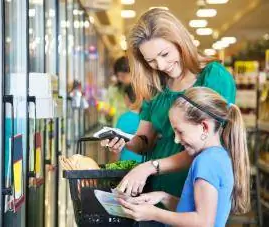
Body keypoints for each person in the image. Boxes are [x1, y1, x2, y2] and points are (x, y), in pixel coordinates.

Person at [101, 8, 236, 226]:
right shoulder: (156, 84)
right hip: (157, 194)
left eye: (164, 54)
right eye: (151, 61)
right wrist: (125, 140)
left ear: (179, 41)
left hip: (194, 190)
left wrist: (148, 167)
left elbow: (208, 143)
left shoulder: (213, 76)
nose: (161, 66)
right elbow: (145, 141)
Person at [118, 87, 250, 227]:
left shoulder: (206, 162)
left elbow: (203, 222)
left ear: (204, 127)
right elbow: (193, 211)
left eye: (180, 132)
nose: (176, 140)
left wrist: (153, 213)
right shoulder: (219, 156)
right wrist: (163, 197)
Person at [114, 85, 143, 163]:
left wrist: (115, 165)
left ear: (126, 98)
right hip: (144, 164)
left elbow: (116, 147)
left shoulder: (123, 118)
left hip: (126, 164)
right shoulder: (147, 118)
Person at [106, 56, 132, 126]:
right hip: (117, 130)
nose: (120, 79)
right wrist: (107, 113)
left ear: (132, 73)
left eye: (123, 76)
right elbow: (108, 118)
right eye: (118, 76)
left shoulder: (140, 90)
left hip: (134, 131)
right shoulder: (113, 90)